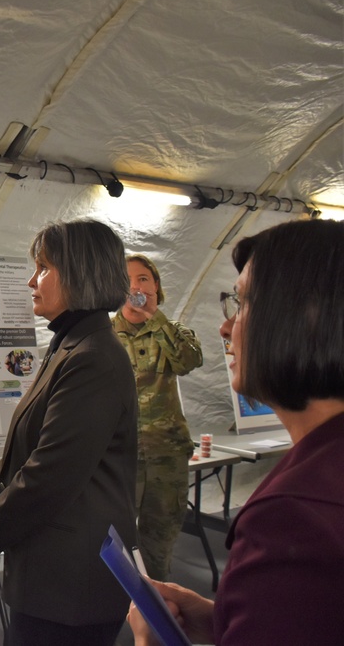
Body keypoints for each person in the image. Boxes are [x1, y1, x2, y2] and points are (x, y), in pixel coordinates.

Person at [128, 219, 344, 645]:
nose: (226, 328)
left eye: (242, 304)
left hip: (166, 448)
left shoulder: (294, 518)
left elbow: (188, 358)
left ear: (304, 318)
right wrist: (220, 619)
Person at [0, 219, 138, 646]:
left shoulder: (93, 356)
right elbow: (25, 443)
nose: (30, 280)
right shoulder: (69, 345)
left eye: (43, 268)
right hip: (57, 570)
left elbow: (51, 471)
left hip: (72, 582)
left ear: (79, 273)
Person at [112, 254, 203, 580]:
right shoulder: (104, 335)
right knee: (113, 536)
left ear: (156, 286)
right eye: (128, 280)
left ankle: (157, 602)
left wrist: (154, 317)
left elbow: (187, 362)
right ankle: (114, 607)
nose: (136, 286)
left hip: (166, 454)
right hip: (120, 456)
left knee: (161, 534)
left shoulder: (173, 331)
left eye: (144, 279)